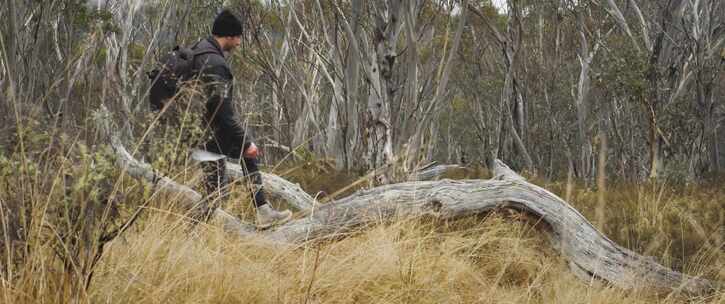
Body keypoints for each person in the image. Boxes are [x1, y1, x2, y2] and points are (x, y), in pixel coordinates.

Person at [191, 9, 291, 228]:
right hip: (205, 136)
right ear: (229, 36)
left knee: (216, 191)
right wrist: (246, 143)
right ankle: (189, 236)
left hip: (194, 132)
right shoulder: (215, 64)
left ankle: (262, 211)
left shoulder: (199, 50)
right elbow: (223, 112)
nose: (238, 43)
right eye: (238, 37)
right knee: (216, 193)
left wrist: (244, 142)